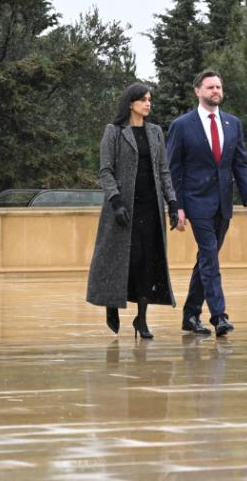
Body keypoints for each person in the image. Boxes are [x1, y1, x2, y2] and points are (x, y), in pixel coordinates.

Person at [166, 68, 247, 337]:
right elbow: (173, 170)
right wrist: (177, 207)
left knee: (206, 260)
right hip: (196, 203)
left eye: (218, 87)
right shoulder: (181, 125)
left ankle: (190, 315)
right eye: (210, 87)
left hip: (223, 203)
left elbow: (241, 164)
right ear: (198, 91)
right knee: (209, 256)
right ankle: (219, 316)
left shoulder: (233, 123)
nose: (215, 91)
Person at [87, 83, 177, 339]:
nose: (148, 104)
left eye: (150, 99)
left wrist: (172, 203)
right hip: (123, 207)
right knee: (122, 260)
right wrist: (115, 201)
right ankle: (111, 304)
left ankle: (142, 319)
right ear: (130, 103)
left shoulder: (155, 132)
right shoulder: (114, 132)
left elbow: (164, 170)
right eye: (143, 100)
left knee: (148, 261)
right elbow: (105, 170)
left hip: (151, 207)